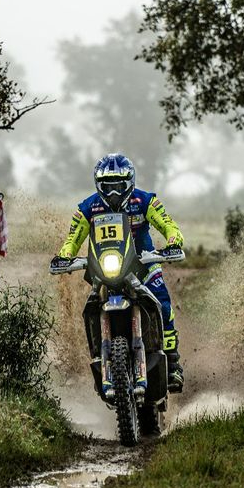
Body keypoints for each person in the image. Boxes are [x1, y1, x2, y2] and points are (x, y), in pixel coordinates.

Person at [51, 153, 185, 392]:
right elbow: (73, 238)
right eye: (107, 186)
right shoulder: (87, 207)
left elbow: (168, 225)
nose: (113, 192)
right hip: (104, 265)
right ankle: (98, 357)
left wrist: (174, 241)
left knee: (163, 302)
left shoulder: (145, 201)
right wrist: (64, 255)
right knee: (91, 306)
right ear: (98, 185)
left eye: (118, 185)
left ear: (129, 183)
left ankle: (173, 363)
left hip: (143, 262)